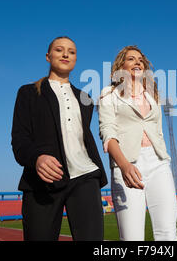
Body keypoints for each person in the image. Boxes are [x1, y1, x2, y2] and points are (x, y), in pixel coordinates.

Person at [11, 36, 107, 241]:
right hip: (43, 180)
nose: (65, 54)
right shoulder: (28, 93)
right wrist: (37, 158)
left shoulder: (86, 99)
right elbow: (19, 140)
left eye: (71, 52)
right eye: (59, 50)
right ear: (48, 56)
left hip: (85, 177)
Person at [98, 45, 177, 241]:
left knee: (167, 232)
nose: (137, 62)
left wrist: (162, 157)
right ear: (120, 66)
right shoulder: (109, 93)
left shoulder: (152, 94)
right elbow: (107, 131)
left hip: (159, 162)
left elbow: (157, 131)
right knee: (132, 237)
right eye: (131, 59)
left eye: (140, 59)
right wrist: (124, 166)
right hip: (128, 163)